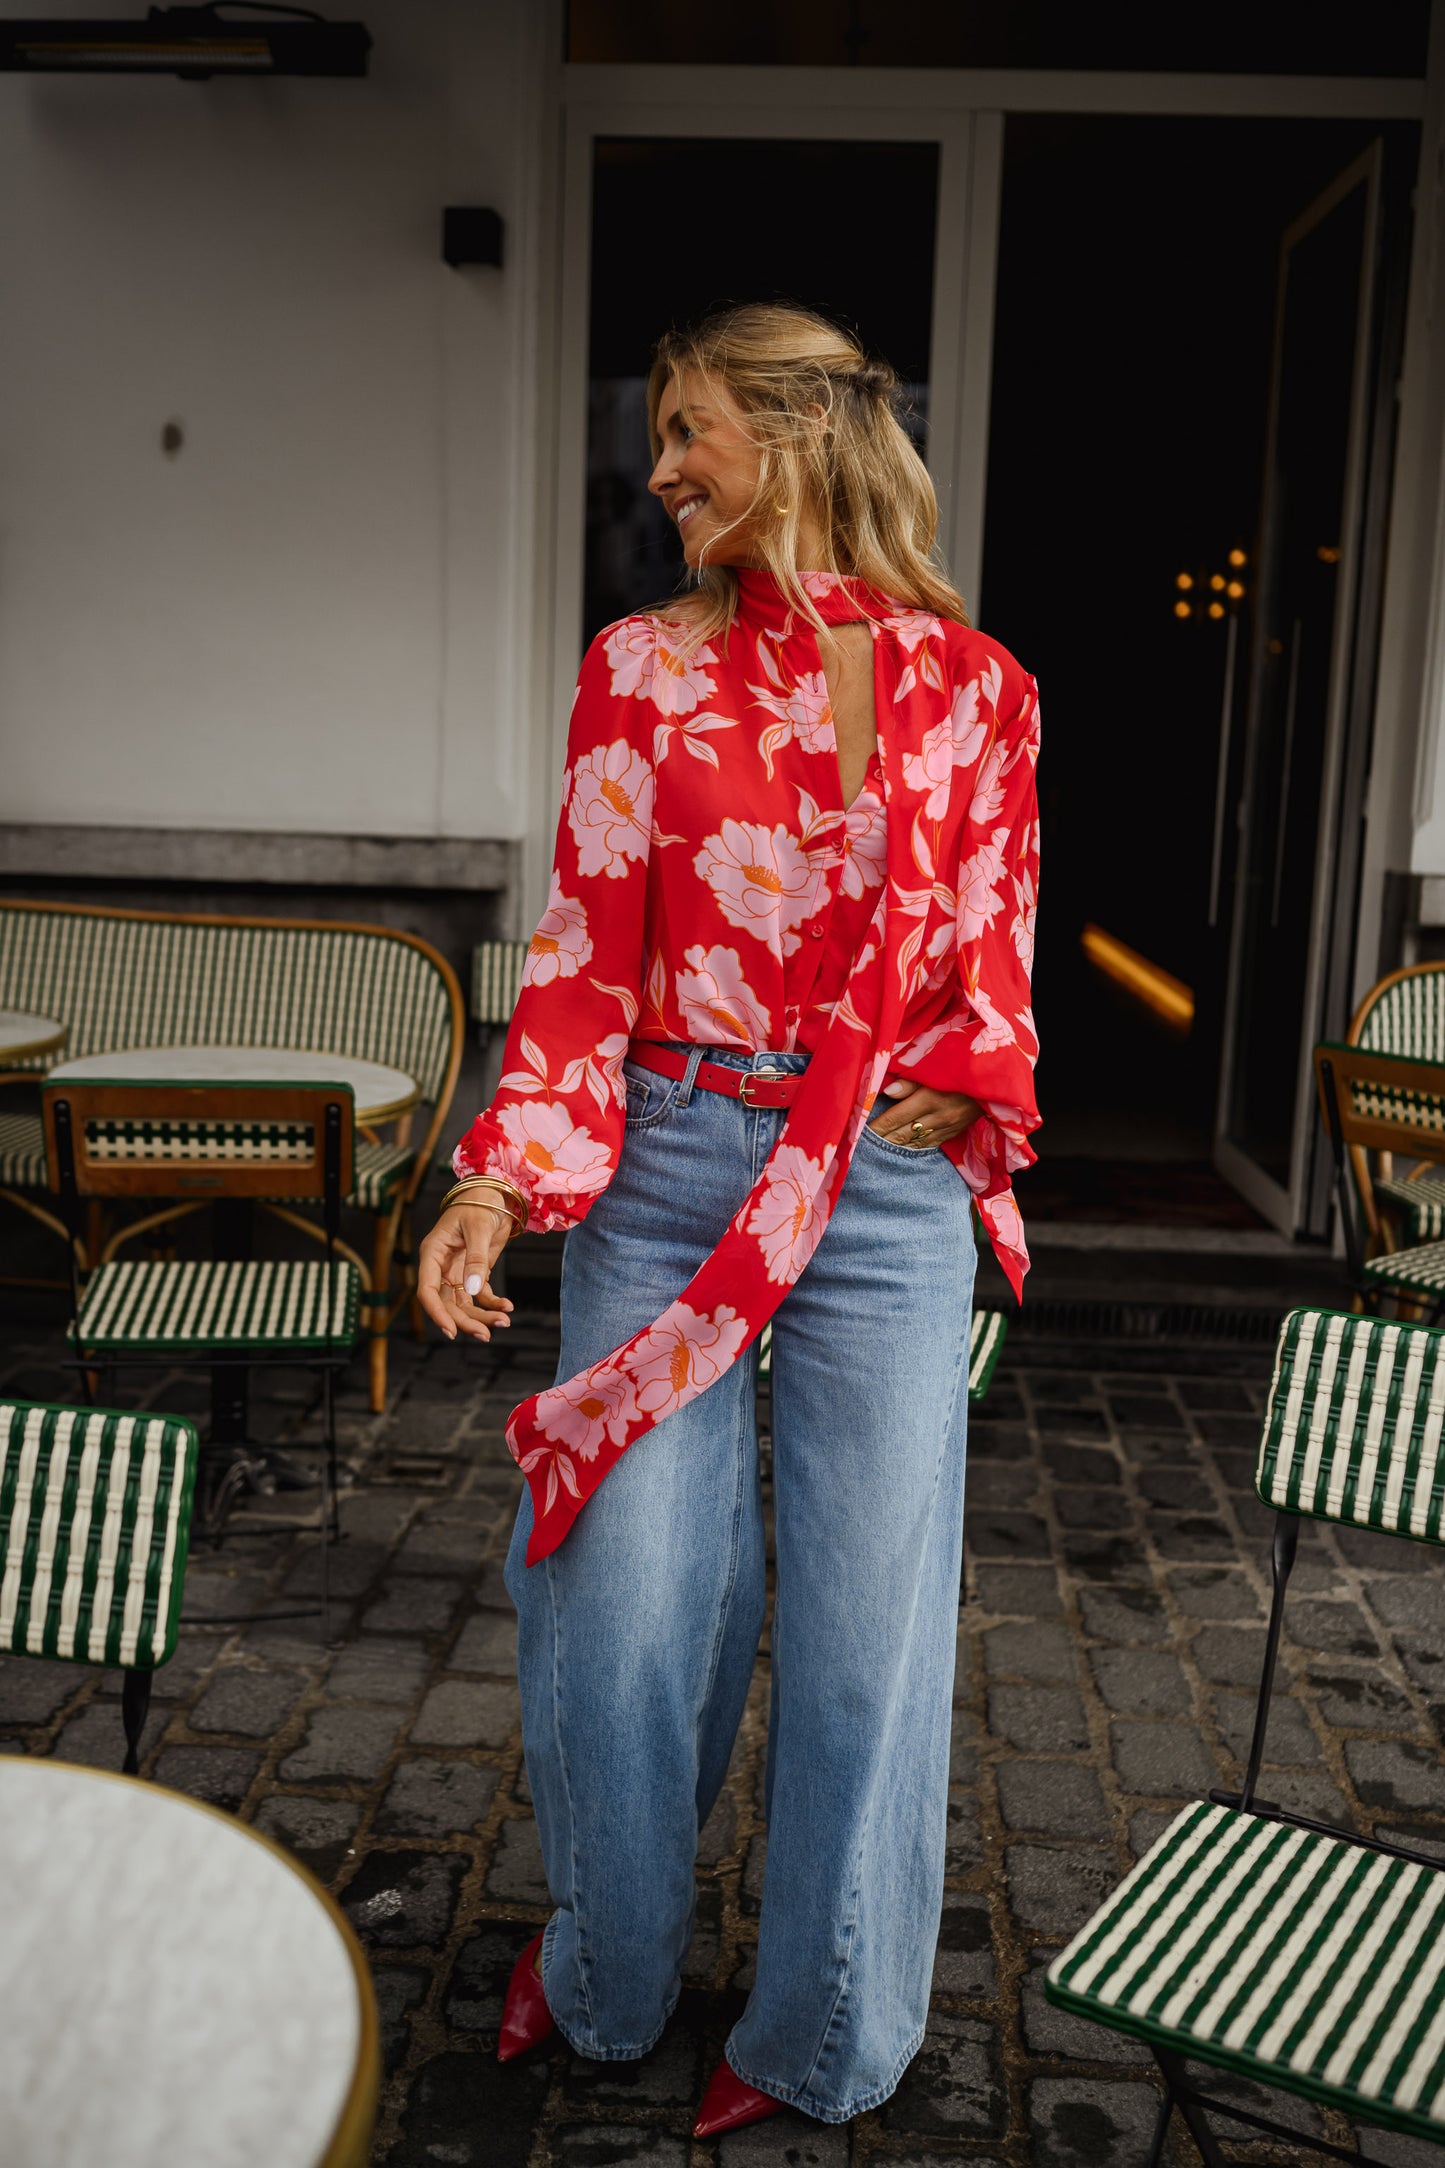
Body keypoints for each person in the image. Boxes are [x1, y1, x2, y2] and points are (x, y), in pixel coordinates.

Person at [417, 302, 1040, 2135]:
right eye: (661, 431)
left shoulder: (982, 688)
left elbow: (993, 955)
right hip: (676, 1158)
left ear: (802, 434)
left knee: (868, 1621)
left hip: (883, 1190)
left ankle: (822, 2027)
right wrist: (495, 1175)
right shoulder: (640, 670)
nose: (660, 465)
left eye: (691, 429)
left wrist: (970, 1084)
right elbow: (580, 957)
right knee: (623, 1599)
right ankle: (606, 1969)